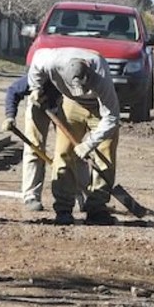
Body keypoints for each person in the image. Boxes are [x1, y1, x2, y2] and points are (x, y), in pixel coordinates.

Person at [25, 47, 121, 226]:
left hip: (100, 108)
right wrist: (36, 88)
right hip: (71, 104)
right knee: (63, 154)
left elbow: (112, 117)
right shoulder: (51, 60)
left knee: (105, 153)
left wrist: (89, 144)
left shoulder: (100, 70)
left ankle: (96, 208)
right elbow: (36, 62)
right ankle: (63, 209)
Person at [1, 74, 60, 212]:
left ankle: (80, 195)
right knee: (34, 147)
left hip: (64, 102)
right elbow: (13, 91)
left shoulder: (70, 77)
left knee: (71, 149)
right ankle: (31, 195)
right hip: (38, 102)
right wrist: (10, 116)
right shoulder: (37, 76)